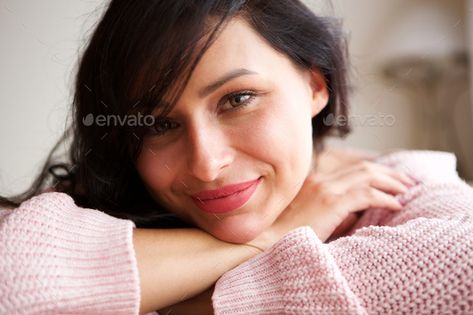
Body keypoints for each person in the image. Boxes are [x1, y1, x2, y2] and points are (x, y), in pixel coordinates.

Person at [1, 0, 472, 314]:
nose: (206, 164)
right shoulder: (91, 209)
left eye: (237, 99)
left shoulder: (403, 187)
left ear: (314, 86)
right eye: (158, 124)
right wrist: (274, 235)